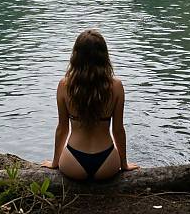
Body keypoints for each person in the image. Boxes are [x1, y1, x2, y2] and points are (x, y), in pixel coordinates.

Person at [42, 29, 139, 180]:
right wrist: (124, 164)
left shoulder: (64, 85)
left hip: (73, 161)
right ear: (104, 56)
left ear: (76, 55)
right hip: (107, 162)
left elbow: (62, 128)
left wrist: (55, 162)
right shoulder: (116, 86)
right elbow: (118, 130)